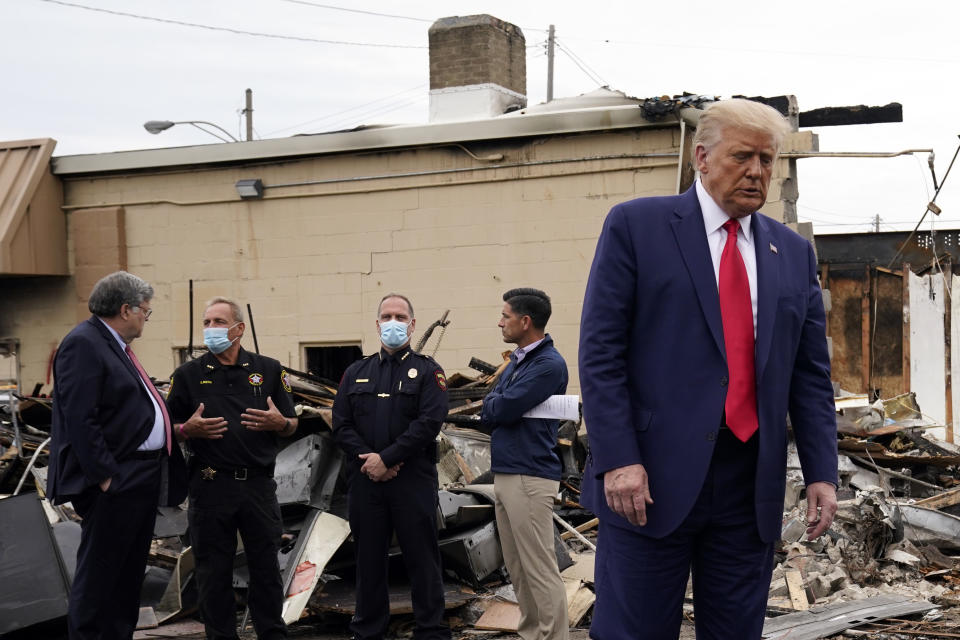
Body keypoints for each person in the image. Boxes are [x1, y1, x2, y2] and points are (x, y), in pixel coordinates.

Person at [578, 99, 839, 640]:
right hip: (647, 483)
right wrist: (619, 460)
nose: (757, 172)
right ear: (700, 156)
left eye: (767, 160)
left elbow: (809, 374)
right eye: (742, 156)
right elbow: (601, 355)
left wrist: (821, 472)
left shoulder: (790, 252)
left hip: (750, 486)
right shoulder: (638, 226)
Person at [47, 270, 187, 640]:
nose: (146, 317)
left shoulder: (113, 345)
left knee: (127, 576)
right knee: (102, 576)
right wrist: (106, 477)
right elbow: (80, 417)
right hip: (117, 478)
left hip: (140, 475)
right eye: (145, 310)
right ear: (126, 309)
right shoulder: (84, 343)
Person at [166, 297, 298, 640]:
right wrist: (187, 430)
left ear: (238, 328)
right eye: (207, 323)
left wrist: (278, 421)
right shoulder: (187, 375)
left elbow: (292, 424)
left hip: (257, 486)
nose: (210, 329)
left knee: (266, 568)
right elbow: (168, 427)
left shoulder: (270, 370)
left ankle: (271, 633)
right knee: (213, 572)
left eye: (218, 322)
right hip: (210, 486)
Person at [332, 293, 450, 640]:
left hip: (412, 480)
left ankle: (430, 630)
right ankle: (368, 630)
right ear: (378, 323)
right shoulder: (356, 371)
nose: (393, 322)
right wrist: (371, 462)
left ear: (412, 325)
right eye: (387, 316)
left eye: (400, 316)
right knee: (368, 561)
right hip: (366, 481)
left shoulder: (429, 371)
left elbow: (429, 423)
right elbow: (341, 424)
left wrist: (388, 458)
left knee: (422, 559)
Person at [480, 288, 569, 640]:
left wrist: (497, 404)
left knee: (539, 569)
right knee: (518, 568)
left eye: (506, 316)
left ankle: (553, 636)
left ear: (525, 321)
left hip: (529, 476)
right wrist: (497, 404)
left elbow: (498, 408)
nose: (500, 322)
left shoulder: (548, 364)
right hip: (508, 472)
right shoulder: (519, 359)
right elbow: (492, 403)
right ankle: (532, 633)